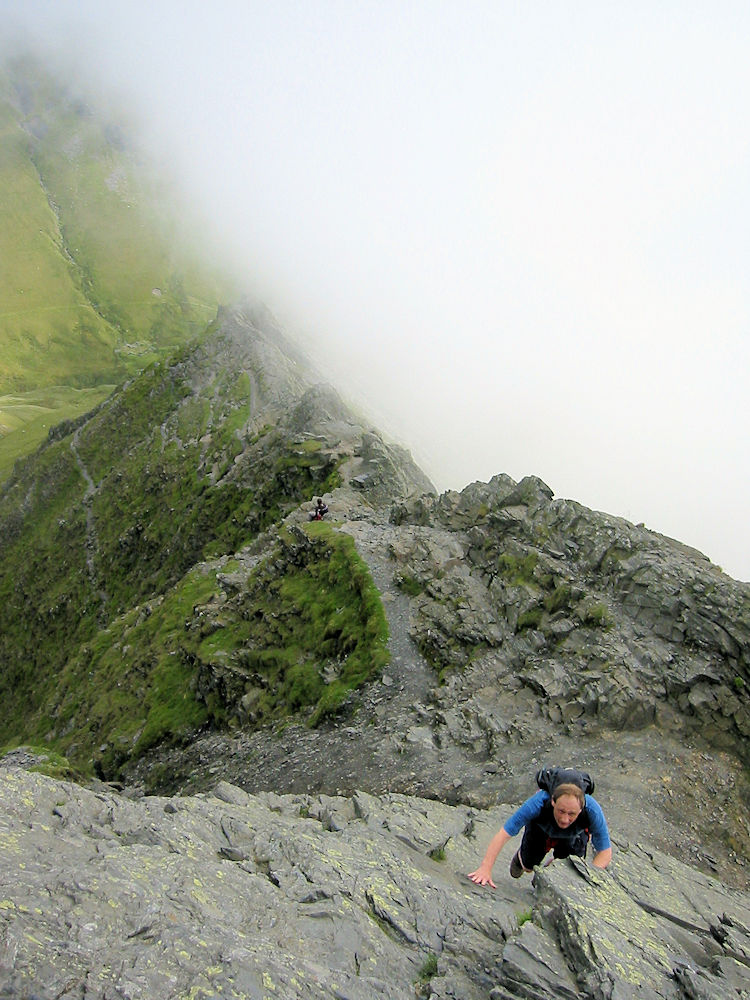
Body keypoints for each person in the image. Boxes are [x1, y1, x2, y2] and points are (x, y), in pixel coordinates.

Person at [468, 779, 612, 887]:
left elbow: (605, 853)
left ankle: (553, 866)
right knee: (528, 865)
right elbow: (504, 834)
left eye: (571, 814)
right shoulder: (537, 803)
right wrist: (485, 868)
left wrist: (589, 880)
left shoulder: (592, 810)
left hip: (574, 835)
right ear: (553, 802)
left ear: (581, 810)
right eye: (561, 811)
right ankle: (522, 859)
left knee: (569, 872)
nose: (564, 819)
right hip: (542, 828)